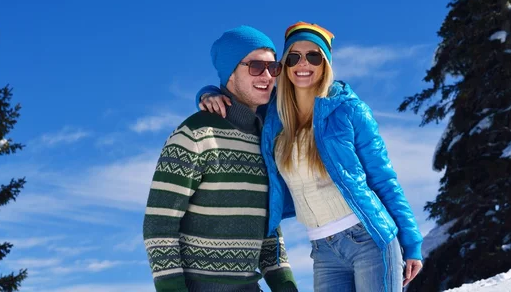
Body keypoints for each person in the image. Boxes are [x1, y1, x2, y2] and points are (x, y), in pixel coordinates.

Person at [198, 22, 423, 291]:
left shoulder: (349, 110)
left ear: (326, 62)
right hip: (322, 249)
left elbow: (384, 179)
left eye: (313, 56)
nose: (303, 64)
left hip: (369, 238)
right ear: (285, 66)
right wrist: (207, 93)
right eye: (294, 57)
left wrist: (412, 244)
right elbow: (236, 95)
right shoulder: (273, 117)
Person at [143, 25, 298, 292]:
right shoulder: (195, 134)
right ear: (229, 72)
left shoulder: (265, 140)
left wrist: (286, 285)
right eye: (255, 67)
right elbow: (159, 225)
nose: (267, 76)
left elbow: (268, 231)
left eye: (273, 68)